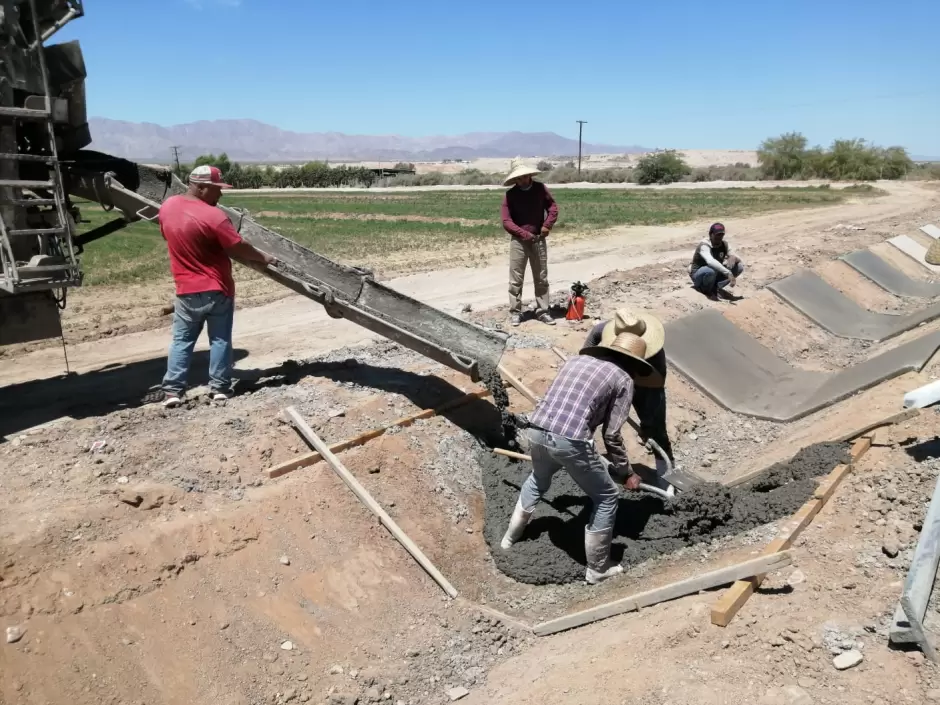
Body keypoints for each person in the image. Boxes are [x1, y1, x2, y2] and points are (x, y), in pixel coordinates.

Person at [500, 332, 654, 585]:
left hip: (536, 430)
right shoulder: (623, 378)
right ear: (635, 364)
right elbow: (612, 434)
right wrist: (626, 472)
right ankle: (597, 569)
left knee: (538, 479)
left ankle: (509, 539)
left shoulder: (574, 361)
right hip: (570, 440)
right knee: (606, 497)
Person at [158, 165, 277, 408]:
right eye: (217, 189)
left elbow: (166, 235)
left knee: (181, 341)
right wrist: (264, 258)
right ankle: (220, 388)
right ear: (201, 188)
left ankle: (172, 392)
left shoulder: (168, 207)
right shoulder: (214, 217)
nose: (220, 195)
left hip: (185, 290)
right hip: (217, 288)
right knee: (220, 340)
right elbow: (238, 246)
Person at [583, 309, 673, 478]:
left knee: (655, 426)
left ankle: (665, 469)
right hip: (609, 377)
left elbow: (656, 382)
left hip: (643, 380)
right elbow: (586, 360)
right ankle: (587, 459)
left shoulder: (654, 350)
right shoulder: (599, 331)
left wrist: (630, 384)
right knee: (596, 419)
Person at [501, 157, 559, 327]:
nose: (522, 180)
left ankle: (543, 311)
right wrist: (523, 234)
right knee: (516, 279)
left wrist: (547, 225)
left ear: (529, 175)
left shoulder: (541, 189)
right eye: (518, 178)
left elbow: (553, 208)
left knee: (541, 277)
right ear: (515, 179)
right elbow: (506, 221)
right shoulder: (510, 195)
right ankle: (516, 312)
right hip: (519, 241)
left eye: (524, 177)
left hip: (539, 239)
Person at [689, 222, 745, 299]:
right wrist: (728, 273)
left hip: (714, 274)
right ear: (711, 234)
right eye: (717, 235)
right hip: (699, 275)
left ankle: (715, 288)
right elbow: (710, 261)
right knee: (711, 269)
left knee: (739, 267)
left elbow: (738, 259)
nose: (719, 237)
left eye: (721, 235)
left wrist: (733, 258)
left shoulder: (724, 245)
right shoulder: (704, 245)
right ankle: (705, 290)